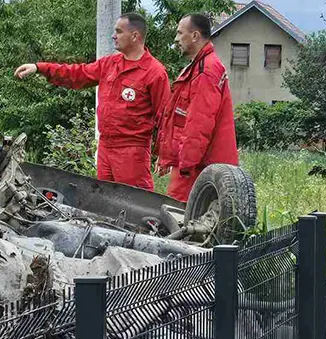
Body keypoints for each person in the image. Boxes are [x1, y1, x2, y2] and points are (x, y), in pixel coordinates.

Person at [14, 13, 170, 190]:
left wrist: (165, 154)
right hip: (105, 147)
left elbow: (165, 116)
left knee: (134, 202)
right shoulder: (109, 64)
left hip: (132, 151)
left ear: (135, 36)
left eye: (118, 32)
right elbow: (77, 74)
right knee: (103, 199)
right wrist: (40, 68)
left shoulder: (154, 72)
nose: (113, 36)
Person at [156, 13, 238, 202]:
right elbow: (177, 117)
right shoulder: (198, 67)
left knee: (180, 218)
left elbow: (198, 123)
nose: (176, 39)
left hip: (197, 169)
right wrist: (168, 158)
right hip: (195, 165)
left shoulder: (206, 70)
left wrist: (185, 166)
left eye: (179, 33)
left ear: (194, 35)